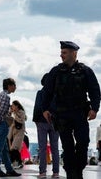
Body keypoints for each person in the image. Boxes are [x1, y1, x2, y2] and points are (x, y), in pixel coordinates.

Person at [42, 41, 101, 179]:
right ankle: (71, 173)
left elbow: (95, 91)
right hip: (62, 115)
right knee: (67, 146)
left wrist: (94, 108)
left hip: (80, 113)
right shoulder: (56, 71)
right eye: (61, 52)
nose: (61, 55)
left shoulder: (85, 71)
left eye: (64, 52)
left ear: (74, 53)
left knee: (83, 143)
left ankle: (78, 169)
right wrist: (45, 109)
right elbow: (47, 91)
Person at [0, 78, 21, 177]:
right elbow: (0, 113)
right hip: (2, 124)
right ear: (9, 86)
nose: (15, 87)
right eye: (14, 85)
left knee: (4, 149)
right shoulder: (6, 97)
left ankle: (9, 169)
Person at [33, 73, 59, 178]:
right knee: (55, 148)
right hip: (54, 122)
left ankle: (42, 172)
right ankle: (56, 172)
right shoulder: (57, 94)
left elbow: (37, 107)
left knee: (42, 148)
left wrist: (36, 121)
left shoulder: (40, 93)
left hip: (42, 122)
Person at [8, 100, 26, 169]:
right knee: (12, 149)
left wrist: (14, 115)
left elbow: (21, 121)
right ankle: (14, 162)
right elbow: (9, 121)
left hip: (19, 131)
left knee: (14, 147)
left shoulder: (21, 112)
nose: (12, 107)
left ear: (16, 106)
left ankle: (19, 162)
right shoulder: (13, 113)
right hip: (13, 132)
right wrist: (10, 113)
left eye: (13, 106)